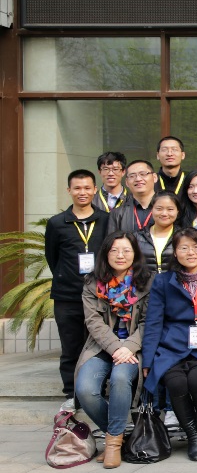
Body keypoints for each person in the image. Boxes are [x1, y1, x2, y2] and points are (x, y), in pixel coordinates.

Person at [141, 227, 197, 462]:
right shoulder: (163, 281)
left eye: (196, 247)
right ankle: (193, 437)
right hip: (171, 346)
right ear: (175, 252)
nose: (191, 252)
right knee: (176, 382)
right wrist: (147, 359)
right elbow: (153, 322)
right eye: (184, 248)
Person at [74, 232, 151, 469]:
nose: (120, 255)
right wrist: (117, 348)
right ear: (105, 254)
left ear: (135, 254)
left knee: (120, 378)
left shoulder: (148, 282)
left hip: (133, 349)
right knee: (85, 389)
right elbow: (93, 322)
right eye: (114, 250)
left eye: (126, 250)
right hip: (101, 347)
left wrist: (128, 347)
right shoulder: (92, 283)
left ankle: (113, 445)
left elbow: (148, 322)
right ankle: (116, 434)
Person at [46, 169, 109, 408]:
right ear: (69, 190)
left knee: (99, 344)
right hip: (67, 296)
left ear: (95, 190)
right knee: (71, 346)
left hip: (100, 295)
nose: (82, 192)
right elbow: (52, 258)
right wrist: (68, 278)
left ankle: (97, 390)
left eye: (87, 188)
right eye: (77, 188)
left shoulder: (106, 220)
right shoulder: (57, 223)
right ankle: (71, 394)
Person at [106, 159, 158, 235]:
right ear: (127, 182)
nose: (138, 179)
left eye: (143, 174)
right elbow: (112, 240)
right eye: (132, 176)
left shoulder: (169, 208)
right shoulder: (117, 213)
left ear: (155, 177)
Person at [136, 191, 181, 272]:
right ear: (151, 210)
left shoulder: (184, 236)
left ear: (177, 211)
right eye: (159, 209)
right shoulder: (137, 237)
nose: (164, 213)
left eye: (170, 209)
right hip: (145, 280)